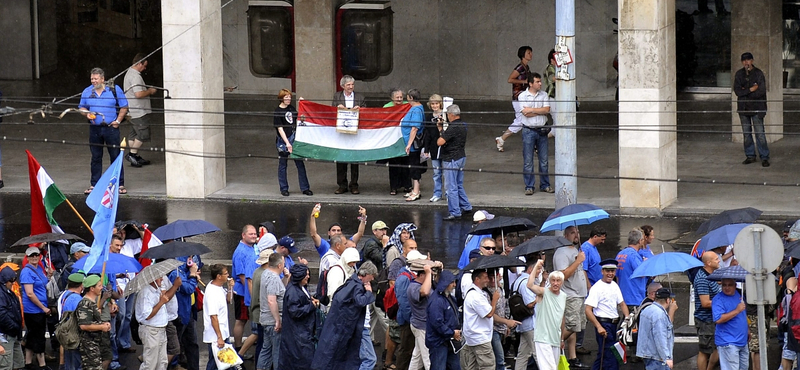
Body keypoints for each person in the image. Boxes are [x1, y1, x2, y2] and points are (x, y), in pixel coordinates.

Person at [311, 261, 378, 370]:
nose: (372, 279)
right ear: (366, 274)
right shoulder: (358, 287)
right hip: (357, 328)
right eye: (372, 276)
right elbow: (360, 301)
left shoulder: (350, 282)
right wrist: (369, 292)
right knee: (369, 359)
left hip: (340, 326)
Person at [78, 67, 128, 195]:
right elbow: (82, 107)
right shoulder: (87, 91)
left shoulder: (114, 90)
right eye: (92, 79)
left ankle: (119, 184)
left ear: (102, 79)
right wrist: (86, 113)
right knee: (96, 157)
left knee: (115, 156)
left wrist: (117, 121)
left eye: (95, 79)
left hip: (111, 128)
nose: (93, 81)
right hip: (94, 128)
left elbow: (124, 107)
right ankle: (94, 184)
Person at [553, 226, 588, 369]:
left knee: (577, 325)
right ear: (566, 235)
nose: (576, 235)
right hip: (570, 295)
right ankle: (554, 343)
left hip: (580, 294)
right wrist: (578, 261)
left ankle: (572, 357)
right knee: (572, 325)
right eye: (573, 233)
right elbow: (563, 275)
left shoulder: (575, 250)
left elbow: (580, 272)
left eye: (578, 232)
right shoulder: (561, 252)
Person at [584, 259, 629, 370]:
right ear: (602, 272)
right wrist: (599, 327)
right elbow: (588, 310)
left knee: (603, 354)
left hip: (614, 324)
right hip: (604, 325)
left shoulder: (614, 285)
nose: (610, 274)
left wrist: (627, 319)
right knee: (611, 356)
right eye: (608, 271)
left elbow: (622, 304)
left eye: (612, 271)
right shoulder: (597, 288)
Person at [527, 261, 567, 370]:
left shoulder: (563, 296)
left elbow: (561, 318)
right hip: (543, 338)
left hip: (555, 338)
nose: (555, 283)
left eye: (558, 281)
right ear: (550, 281)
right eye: (553, 280)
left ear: (562, 282)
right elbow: (530, 285)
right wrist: (536, 266)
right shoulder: (543, 292)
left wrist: (562, 339)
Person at [278, 264, 319, 370]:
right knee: (302, 362)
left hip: (301, 332)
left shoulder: (299, 287)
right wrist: (311, 306)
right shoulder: (293, 291)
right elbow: (295, 312)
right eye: (306, 275)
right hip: (298, 335)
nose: (308, 277)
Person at [518, 72, 552, 195]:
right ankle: (529, 186)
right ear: (530, 83)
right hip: (528, 130)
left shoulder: (544, 94)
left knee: (544, 160)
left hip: (541, 130)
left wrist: (532, 110)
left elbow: (547, 110)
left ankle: (545, 185)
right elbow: (524, 113)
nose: (540, 84)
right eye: (537, 82)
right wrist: (540, 111)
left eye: (540, 81)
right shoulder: (522, 96)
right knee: (528, 160)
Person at [331, 75, 366, 194]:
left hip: (355, 132)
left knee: (354, 160)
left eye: (352, 84)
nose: (351, 87)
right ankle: (342, 185)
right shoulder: (337, 96)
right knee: (341, 159)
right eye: (348, 85)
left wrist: (360, 109)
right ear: (343, 86)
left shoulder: (360, 97)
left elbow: (367, 113)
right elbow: (331, 112)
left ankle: (354, 185)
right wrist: (337, 108)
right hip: (341, 132)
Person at [734, 52, 770, 167]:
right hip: (743, 108)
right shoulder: (739, 74)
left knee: (760, 134)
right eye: (744, 60)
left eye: (748, 60)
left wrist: (746, 92)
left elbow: (761, 91)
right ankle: (750, 156)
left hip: (757, 108)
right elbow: (737, 91)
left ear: (752, 61)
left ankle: (764, 157)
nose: (746, 62)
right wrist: (750, 90)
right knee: (746, 134)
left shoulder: (758, 73)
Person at [274, 88, 312, 197]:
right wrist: (287, 143)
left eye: (290, 97)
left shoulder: (291, 108)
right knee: (282, 165)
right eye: (286, 97)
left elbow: (299, 117)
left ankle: (305, 188)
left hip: (293, 138)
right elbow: (279, 128)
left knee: (300, 163)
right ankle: (284, 188)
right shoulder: (277, 111)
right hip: (283, 141)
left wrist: (302, 104)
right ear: (281, 98)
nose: (288, 99)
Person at [135, 274, 178, 370]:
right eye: (159, 277)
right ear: (151, 279)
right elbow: (147, 315)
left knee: (162, 362)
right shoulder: (145, 293)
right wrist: (161, 302)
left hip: (160, 330)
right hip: (151, 331)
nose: (162, 279)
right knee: (150, 364)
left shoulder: (156, 290)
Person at [122, 52, 158, 167]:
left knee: (133, 133)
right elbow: (138, 94)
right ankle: (132, 154)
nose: (145, 68)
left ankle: (135, 156)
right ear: (139, 63)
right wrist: (150, 91)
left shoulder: (129, 73)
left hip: (131, 109)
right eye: (144, 65)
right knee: (143, 133)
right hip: (138, 110)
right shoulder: (135, 76)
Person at [460, 269, 500, 370]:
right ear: (477, 279)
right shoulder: (475, 296)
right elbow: (489, 313)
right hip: (480, 339)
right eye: (485, 277)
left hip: (473, 338)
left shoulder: (477, 293)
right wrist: (494, 300)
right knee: (488, 367)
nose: (488, 280)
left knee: (472, 367)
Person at [438, 104, 472, 220]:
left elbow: (440, 142)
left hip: (451, 159)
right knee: (458, 184)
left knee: (451, 187)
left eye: (447, 114)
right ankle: (466, 207)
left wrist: (440, 130)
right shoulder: (463, 125)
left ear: (451, 115)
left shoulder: (453, 127)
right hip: (461, 157)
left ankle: (455, 212)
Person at [496, 46, 533, 152]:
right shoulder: (520, 68)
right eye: (528, 52)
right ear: (523, 55)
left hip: (523, 97)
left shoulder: (526, 67)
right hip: (518, 98)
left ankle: (502, 139)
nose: (530, 54)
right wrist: (524, 82)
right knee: (521, 121)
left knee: (524, 120)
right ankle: (501, 139)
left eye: (531, 53)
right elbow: (510, 79)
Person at [167, 256, 201, 370]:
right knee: (176, 346)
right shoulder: (175, 273)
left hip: (189, 311)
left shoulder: (185, 270)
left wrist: (193, 273)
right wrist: (192, 275)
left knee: (192, 344)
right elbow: (187, 289)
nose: (192, 259)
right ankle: (173, 366)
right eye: (190, 257)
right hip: (180, 314)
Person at [21, 247, 51, 370]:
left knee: (32, 335)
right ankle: (42, 364)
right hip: (33, 310)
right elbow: (30, 293)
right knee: (38, 337)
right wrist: (43, 308)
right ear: (27, 257)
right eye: (31, 255)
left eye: (36, 255)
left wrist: (48, 275)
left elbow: (43, 284)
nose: (34, 257)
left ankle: (28, 362)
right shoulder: (26, 272)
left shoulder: (39, 268)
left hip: (38, 309)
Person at [425, 270, 461, 370]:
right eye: (452, 282)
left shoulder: (448, 297)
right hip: (439, 343)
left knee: (455, 367)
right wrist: (452, 333)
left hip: (448, 340)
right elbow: (437, 323)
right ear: (445, 283)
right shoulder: (437, 301)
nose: (454, 285)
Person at [258, 253, 287, 370]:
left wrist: (286, 278)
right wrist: (277, 320)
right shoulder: (274, 278)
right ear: (279, 265)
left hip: (265, 320)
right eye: (283, 263)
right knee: (277, 352)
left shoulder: (265, 274)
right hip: (272, 322)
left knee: (266, 350)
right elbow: (271, 300)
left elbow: (279, 291)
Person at [76, 275, 113, 370]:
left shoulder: (91, 302)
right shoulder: (85, 303)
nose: (102, 288)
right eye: (99, 286)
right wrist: (101, 327)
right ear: (92, 288)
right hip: (89, 345)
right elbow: (84, 325)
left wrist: (103, 324)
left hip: (96, 342)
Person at [232, 225, 258, 352]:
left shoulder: (252, 248)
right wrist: (251, 294)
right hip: (243, 291)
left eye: (255, 234)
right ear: (243, 235)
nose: (254, 236)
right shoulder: (240, 252)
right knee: (241, 320)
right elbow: (242, 277)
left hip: (248, 289)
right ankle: (238, 347)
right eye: (251, 234)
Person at [693, 251, 721, 370]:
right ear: (708, 263)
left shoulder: (711, 275)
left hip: (713, 318)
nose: (719, 260)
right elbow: (705, 303)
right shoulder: (702, 279)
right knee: (705, 350)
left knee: (717, 347)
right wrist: (723, 303)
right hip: (706, 320)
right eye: (716, 259)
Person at [203, 264, 234, 370]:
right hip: (216, 336)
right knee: (217, 364)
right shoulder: (212, 293)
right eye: (226, 273)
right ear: (218, 276)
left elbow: (228, 300)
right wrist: (219, 338)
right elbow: (213, 317)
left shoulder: (219, 287)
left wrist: (230, 288)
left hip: (223, 333)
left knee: (224, 364)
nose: (228, 275)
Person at [712, 278, 748, 370]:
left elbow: (743, 315)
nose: (727, 288)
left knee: (744, 367)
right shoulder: (718, 299)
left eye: (730, 285)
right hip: (728, 342)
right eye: (724, 285)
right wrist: (737, 310)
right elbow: (718, 319)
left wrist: (748, 329)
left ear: (735, 286)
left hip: (742, 341)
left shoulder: (739, 295)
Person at [637, 288, 675, 370]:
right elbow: (660, 337)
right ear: (667, 300)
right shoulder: (660, 315)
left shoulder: (647, 309)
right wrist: (667, 358)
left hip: (647, 354)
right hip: (658, 358)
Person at [407, 261, 436, 370]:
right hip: (421, 326)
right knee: (427, 358)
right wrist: (428, 273)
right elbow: (424, 292)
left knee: (417, 357)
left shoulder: (424, 283)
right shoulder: (413, 287)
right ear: (422, 275)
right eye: (428, 275)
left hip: (424, 325)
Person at [513, 258, 540, 370]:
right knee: (539, 354)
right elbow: (529, 303)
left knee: (522, 354)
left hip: (524, 323)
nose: (540, 272)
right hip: (530, 323)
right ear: (531, 269)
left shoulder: (519, 280)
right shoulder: (525, 283)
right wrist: (539, 297)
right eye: (538, 269)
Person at [385, 88, 411, 196]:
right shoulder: (386, 107)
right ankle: (394, 187)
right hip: (392, 139)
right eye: (397, 98)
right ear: (392, 98)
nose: (399, 100)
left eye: (401, 97)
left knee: (406, 163)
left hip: (404, 138)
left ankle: (407, 185)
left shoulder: (408, 105)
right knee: (394, 164)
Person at [401, 89, 425, 202]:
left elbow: (414, 128)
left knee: (415, 166)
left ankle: (416, 191)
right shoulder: (415, 108)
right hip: (410, 144)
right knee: (412, 165)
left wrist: (409, 144)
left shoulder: (416, 110)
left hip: (413, 145)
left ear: (410, 97)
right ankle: (414, 190)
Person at [58, 273, 85, 370]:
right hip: (75, 336)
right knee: (76, 364)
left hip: (66, 334)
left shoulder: (64, 295)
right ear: (81, 285)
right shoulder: (77, 299)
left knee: (69, 363)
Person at [423, 94, 445, 202]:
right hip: (434, 148)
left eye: (436, 103)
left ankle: (448, 193)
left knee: (446, 172)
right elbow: (427, 134)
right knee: (436, 173)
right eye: (432, 104)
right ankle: (437, 193)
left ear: (440, 103)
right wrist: (426, 149)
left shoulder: (445, 115)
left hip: (445, 148)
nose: (435, 106)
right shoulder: (428, 117)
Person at [0, 266, 23, 370]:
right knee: (6, 366)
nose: (13, 282)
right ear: (4, 280)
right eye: (11, 280)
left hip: (13, 334)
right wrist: (14, 327)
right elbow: (2, 315)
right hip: (6, 335)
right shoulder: (2, 294)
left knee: (17, 364)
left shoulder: (8, 292)